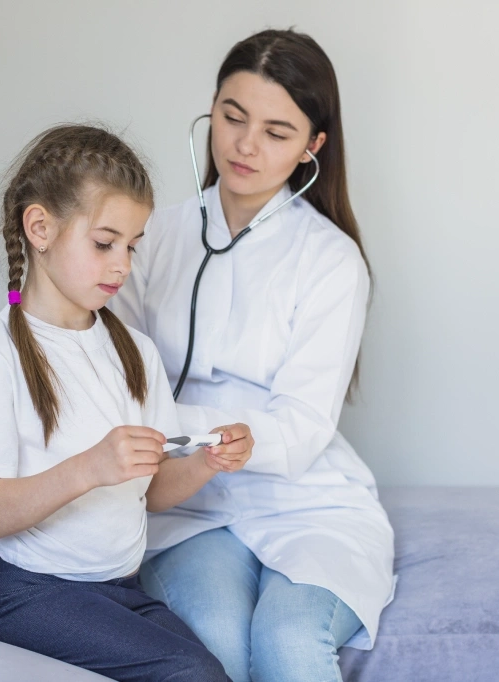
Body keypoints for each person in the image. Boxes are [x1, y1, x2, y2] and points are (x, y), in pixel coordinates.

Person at [110, 29, 396, 682]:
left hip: (304, 500)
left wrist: (234, 436)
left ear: (311, 148)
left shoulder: (331, 260)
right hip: (184, 505)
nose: (244, 145)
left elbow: (300, 428)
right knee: (214, 642)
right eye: (232, 117)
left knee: (289, 641)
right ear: (210, 110)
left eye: (276, 131)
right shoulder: (149, 238)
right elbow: (115, 377)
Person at [0, 124, 253, 682]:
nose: (122, 265)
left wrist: (207, 460)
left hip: (122, 590)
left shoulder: (134, 352)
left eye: (131, 246)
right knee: (192, 673)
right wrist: (89, 468)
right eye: (105, 244)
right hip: (34, 597)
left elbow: (152, 492)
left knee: (214, 671)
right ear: (40, 228)